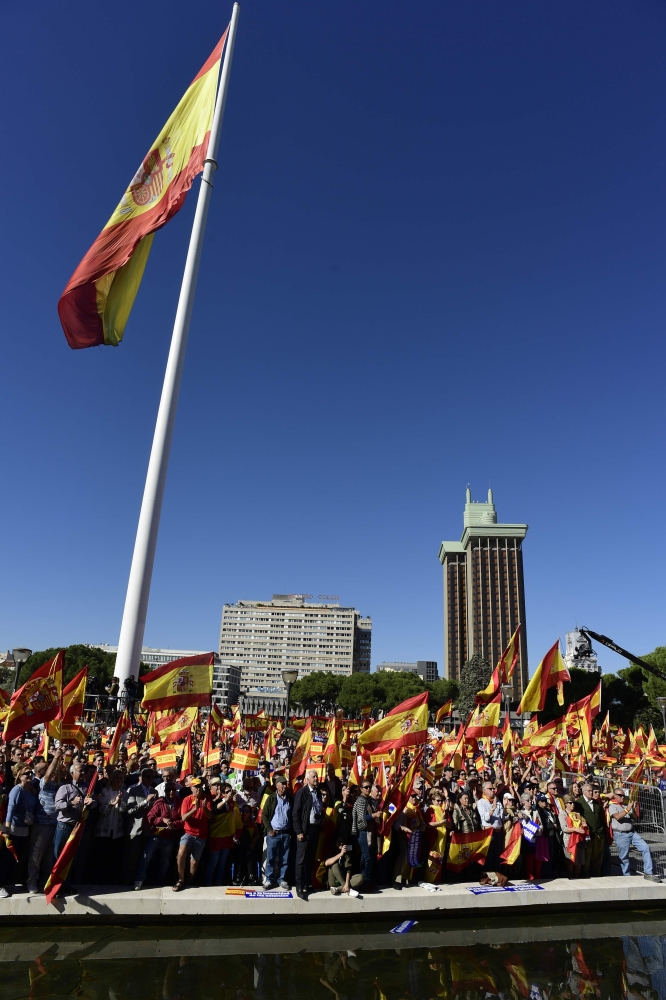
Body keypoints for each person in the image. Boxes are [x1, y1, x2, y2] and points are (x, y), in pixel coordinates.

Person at [26, 751, 62, 894]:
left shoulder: (56, 785)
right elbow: (48, 775)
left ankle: (45, 882)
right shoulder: (43, 783)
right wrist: (56, 758)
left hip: (55, 826)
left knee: (49, 858)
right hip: (42, 825)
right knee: (36, 856)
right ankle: (31, 882)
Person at [135, 782, 183, 888]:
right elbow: (150, 817)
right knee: (146, 857)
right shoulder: (160, 802)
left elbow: (182, 820)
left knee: (165, 862)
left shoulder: (180, 803)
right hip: (156, 835)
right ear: (165, 791)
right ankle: (139, 879)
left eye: (174, 790)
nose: (171, 792)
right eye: (169, 789)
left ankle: (160, 883)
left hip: (169, 836)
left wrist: (173, 824)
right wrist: (163, 820)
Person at [609, 787, 659, 880]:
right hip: (621, 834)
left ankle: (648, 872)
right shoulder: (613, 806)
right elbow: (618, 817)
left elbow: (635, 818)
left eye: (624, 795)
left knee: (645, 848)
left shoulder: (625, 805)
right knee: (624, 857)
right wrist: (627, 809)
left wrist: (633, 810)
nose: (622, 797)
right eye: (620, 795)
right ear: (615, 795)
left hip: (632, 832)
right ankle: (626, 876)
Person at [173, 777, 211, 891]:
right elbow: (184, 817)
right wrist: (194, 809)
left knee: (194, 862)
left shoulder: (207, 799)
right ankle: (181, 880)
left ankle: (188, 883)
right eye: (196, 787)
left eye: (200, 787)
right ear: (191, 788)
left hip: (201, 835)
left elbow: (210, 816)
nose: (198, 789)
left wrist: (204, 808)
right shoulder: (187, 799)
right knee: (181, 853)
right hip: (188, 833)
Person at [292, 770, 324, 900]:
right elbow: (296, 814)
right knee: (301, 859)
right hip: (304, 830)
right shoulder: (302, 793)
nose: (316, 778)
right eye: (313, 776)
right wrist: (299, 831)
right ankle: (299, 886)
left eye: (316, 776)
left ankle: (307, 883)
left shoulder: (317, 792)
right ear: (307, 779)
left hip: (315, 829)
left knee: (310, 858)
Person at [53, 762, 95, 861]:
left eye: (84, 771)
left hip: (78, 827)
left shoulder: (87, 788)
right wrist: (71, 803)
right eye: (80, 771)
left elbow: (95, 802)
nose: (83, 773)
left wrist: (91, 803)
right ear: (72, 773)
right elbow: (58, 806)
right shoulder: (65, 788)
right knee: (58, 856)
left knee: (72, 857)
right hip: (64, 826)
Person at [93, 768, 127, 885]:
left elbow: (123, 810)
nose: (119, 780)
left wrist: (121, 801)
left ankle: (112, 878)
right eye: (117, 778)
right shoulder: (105, 791)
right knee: (102, 854)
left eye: (121, 778)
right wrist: (112, 804)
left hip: (116, 829)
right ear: (112, 779)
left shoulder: (123, 792)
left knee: (114, 855)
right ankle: (101, 877)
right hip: (104, 828)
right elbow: (102, 810)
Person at [123, 768, 157, 885]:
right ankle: (127, 881)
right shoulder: (133, 790)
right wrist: (145, 802)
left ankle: (140, 880)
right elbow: (130, 810)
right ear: (141, 777)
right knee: (132, 857)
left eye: (152, 776)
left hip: (148, 830)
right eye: (147, 776)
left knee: (145, 858)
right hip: (135, 829)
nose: (150, 779)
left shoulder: (154, 791)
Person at [6, 766, 38, 885]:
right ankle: (2, 884)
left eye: (31, 773)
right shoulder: (16, 790)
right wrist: (7, 829)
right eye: (26, 773)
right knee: (9, 857)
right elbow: (11, 809)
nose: (29, 775)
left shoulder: (31, 789)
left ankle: (14, 881)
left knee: (21, 857)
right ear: (20, 776)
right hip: (14, 828)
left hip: (26, 828)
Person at [206, 781, 241, 886]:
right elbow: (216, 810)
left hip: (227, 837)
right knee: (213, 863)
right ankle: (207, 884)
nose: (229, 793)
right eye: (227, 792)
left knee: (222, 864)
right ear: (222, 793)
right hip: (216, 837)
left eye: (230, 791)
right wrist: (225, 800)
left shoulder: (232, 803)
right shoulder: (217, 802)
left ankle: (219, 884)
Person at [262, 775, 292, 890]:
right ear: (277, 785)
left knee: (285, 859)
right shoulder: (271, 798)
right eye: (282, 783)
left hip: (285, 833)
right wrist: (269, 829)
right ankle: (269, 879)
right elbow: (264, 815)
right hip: (274, 834)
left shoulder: (289, 798)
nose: (285, 786)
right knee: (271, 858)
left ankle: (282, 879)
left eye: (285, 783)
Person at [352, 780, 380, 890]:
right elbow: (361, 819)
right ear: (361, 789)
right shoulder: (360, 800)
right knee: (366, 857)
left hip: (370, 832)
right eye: (366, 787)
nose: (368, 789)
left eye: (369, 787)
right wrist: (374, 815)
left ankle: (366, 881)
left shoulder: (369, 800)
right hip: (362, 832)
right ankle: (363, 882)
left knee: (368, 857)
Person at [576, 781, 606, 878]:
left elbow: (600, 818)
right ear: (584, 791)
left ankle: (596, 874)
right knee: (587, 856)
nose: (591, 793)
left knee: (597, 856)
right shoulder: (579, 803)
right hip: (587, 835)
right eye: (589, 791)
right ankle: (585, 875)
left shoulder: (596, 804)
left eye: (592, 791)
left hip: (598, 834)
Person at [476, 781, 504, 871]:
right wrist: (493, 807)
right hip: (489, 833)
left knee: (498, 856)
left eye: (493, 788)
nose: (493, 790)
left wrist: (505, 807)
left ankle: (498, 876)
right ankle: (487, 877)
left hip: (498, 832)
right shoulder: (481, 802)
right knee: (489, 856)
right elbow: (485, 818)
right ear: (484, 791)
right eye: (490, 789)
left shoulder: (497, 800)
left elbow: (502, 816)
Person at [559, 795, 588, 879]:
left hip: (579, 839)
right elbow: (564, 828)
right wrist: (576, 829)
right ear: (565, 804)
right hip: (569, 840)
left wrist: (584, 825)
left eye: (573, 803)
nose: (572, 804)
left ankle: (577, 877)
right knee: (570, 860)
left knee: (578, 860)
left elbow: (582, 823)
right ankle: (571, 877)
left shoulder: (577, 813)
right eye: (570, 803)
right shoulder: (562, 814)